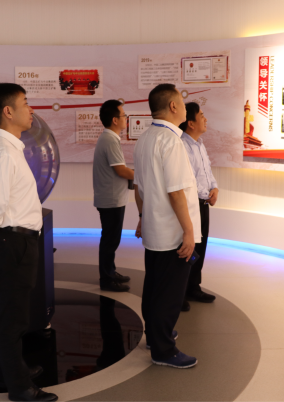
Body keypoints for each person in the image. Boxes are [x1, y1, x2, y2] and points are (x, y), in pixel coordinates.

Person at [0, 83, 58, 402]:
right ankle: (20, 388)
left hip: (12, 241)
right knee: (12, 319)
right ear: (8, 111)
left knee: (5, 313)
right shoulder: (4, 152)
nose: (31, 110)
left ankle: (9, 370)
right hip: (13, 243)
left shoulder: (5, 148)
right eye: (26, 103)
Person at [133, 83, 201, 368]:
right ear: (173, 106)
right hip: (172, 232)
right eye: (182, 103)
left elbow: (139, 188)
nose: (185, 108)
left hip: (154, 228)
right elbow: (176, 192)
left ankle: (154, 335)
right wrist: (189, 231)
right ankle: (163, 350)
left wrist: (141, 217)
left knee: (154, 287)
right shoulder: (172, 141)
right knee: (169, 294)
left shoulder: (145, 138)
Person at [179, 102, 219, 312]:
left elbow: (207, 172)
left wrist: (214, 188)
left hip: (204, 204)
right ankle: (180, 291)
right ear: (191, 123)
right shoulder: (182, 146)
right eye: (201, 115)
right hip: (191, 205)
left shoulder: (200, 144)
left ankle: (193, 287)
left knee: (200, 248)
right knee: (188, 249)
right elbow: (188, 180)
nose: (206, 119)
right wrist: (204, 194)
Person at [93, 100, 134, 292]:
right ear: (115, 120)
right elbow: (121, 170)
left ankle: (111, 271)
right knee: (110, 241)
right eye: (123, 115)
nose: (126, 118)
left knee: (111, 239)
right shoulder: (110, 140)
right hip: (111, 200)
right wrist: (142, 175)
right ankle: (107, 279)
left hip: (112, 198)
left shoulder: (109, 138)